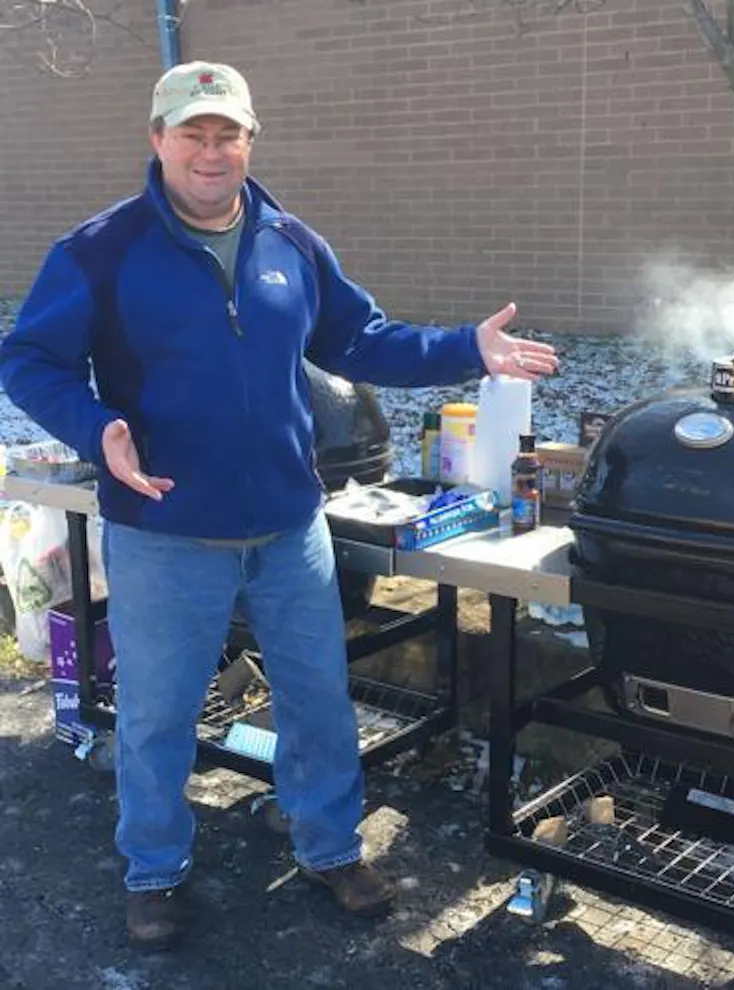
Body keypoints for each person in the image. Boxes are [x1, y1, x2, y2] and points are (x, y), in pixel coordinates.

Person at [0, 61, 558, 951]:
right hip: (166, 531)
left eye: (228, 134)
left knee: (319, 701)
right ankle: (153, 872)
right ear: (158, 139)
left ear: (250, 141)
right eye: (193, 133)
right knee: (156, 716)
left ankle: (332, 848)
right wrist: (96, 426)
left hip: (290, 528)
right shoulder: (100, 251)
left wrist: (466, 348)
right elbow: (29, 360)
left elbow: (360, 339)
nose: (211, 151)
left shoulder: (290, 243)